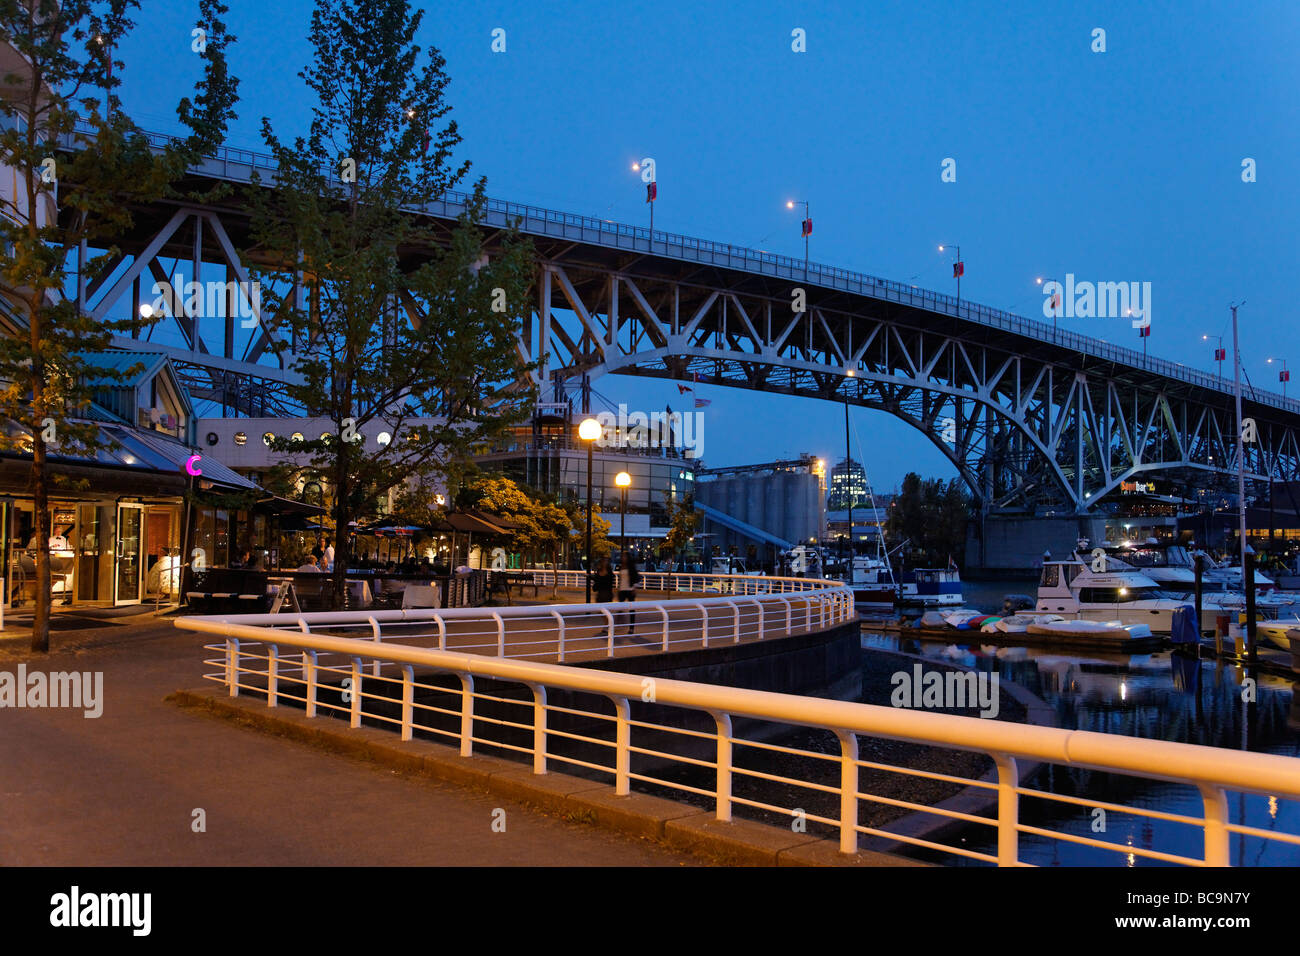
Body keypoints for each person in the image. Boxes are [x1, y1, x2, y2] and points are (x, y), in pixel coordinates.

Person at [617, 553, 641, 632]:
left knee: (631, 609)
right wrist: (618, 588)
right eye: (622, 556)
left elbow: (637, 577)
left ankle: (631, 628)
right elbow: (621, 579)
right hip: (622, 589)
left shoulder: (631, 567)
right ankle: (619, 624)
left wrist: (634, 587)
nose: (623, 558)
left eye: (624, 556)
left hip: (630, 589)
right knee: (619, 608)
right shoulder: (621, 566)